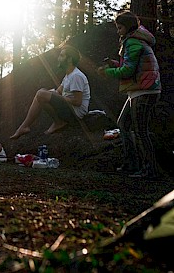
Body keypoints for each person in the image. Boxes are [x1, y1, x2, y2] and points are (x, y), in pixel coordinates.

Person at [97, 11, 161, 179]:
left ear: (128, 27)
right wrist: (114, 64)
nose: (118, 31)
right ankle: (132, 164)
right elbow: (131, 65)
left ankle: (150, 169)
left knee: (140, 131)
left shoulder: (133, 42)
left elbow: (128, 70)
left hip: (144, 91)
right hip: (139, 90)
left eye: (120, 27)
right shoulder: (134, 41)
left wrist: (108, 72)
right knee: (123, 124)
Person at [10, 45, 91, 139]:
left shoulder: (76, 76)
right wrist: (50, 94)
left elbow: (78, 101)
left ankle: (57, 122)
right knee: (41, 93)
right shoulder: (68, 75)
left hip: (76, 114)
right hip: (70, 109)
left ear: (69, 59)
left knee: (41, 94)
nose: (58, 58)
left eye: (61, 56)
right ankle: (24, 126)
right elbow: (58, 92)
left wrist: (51, 96)